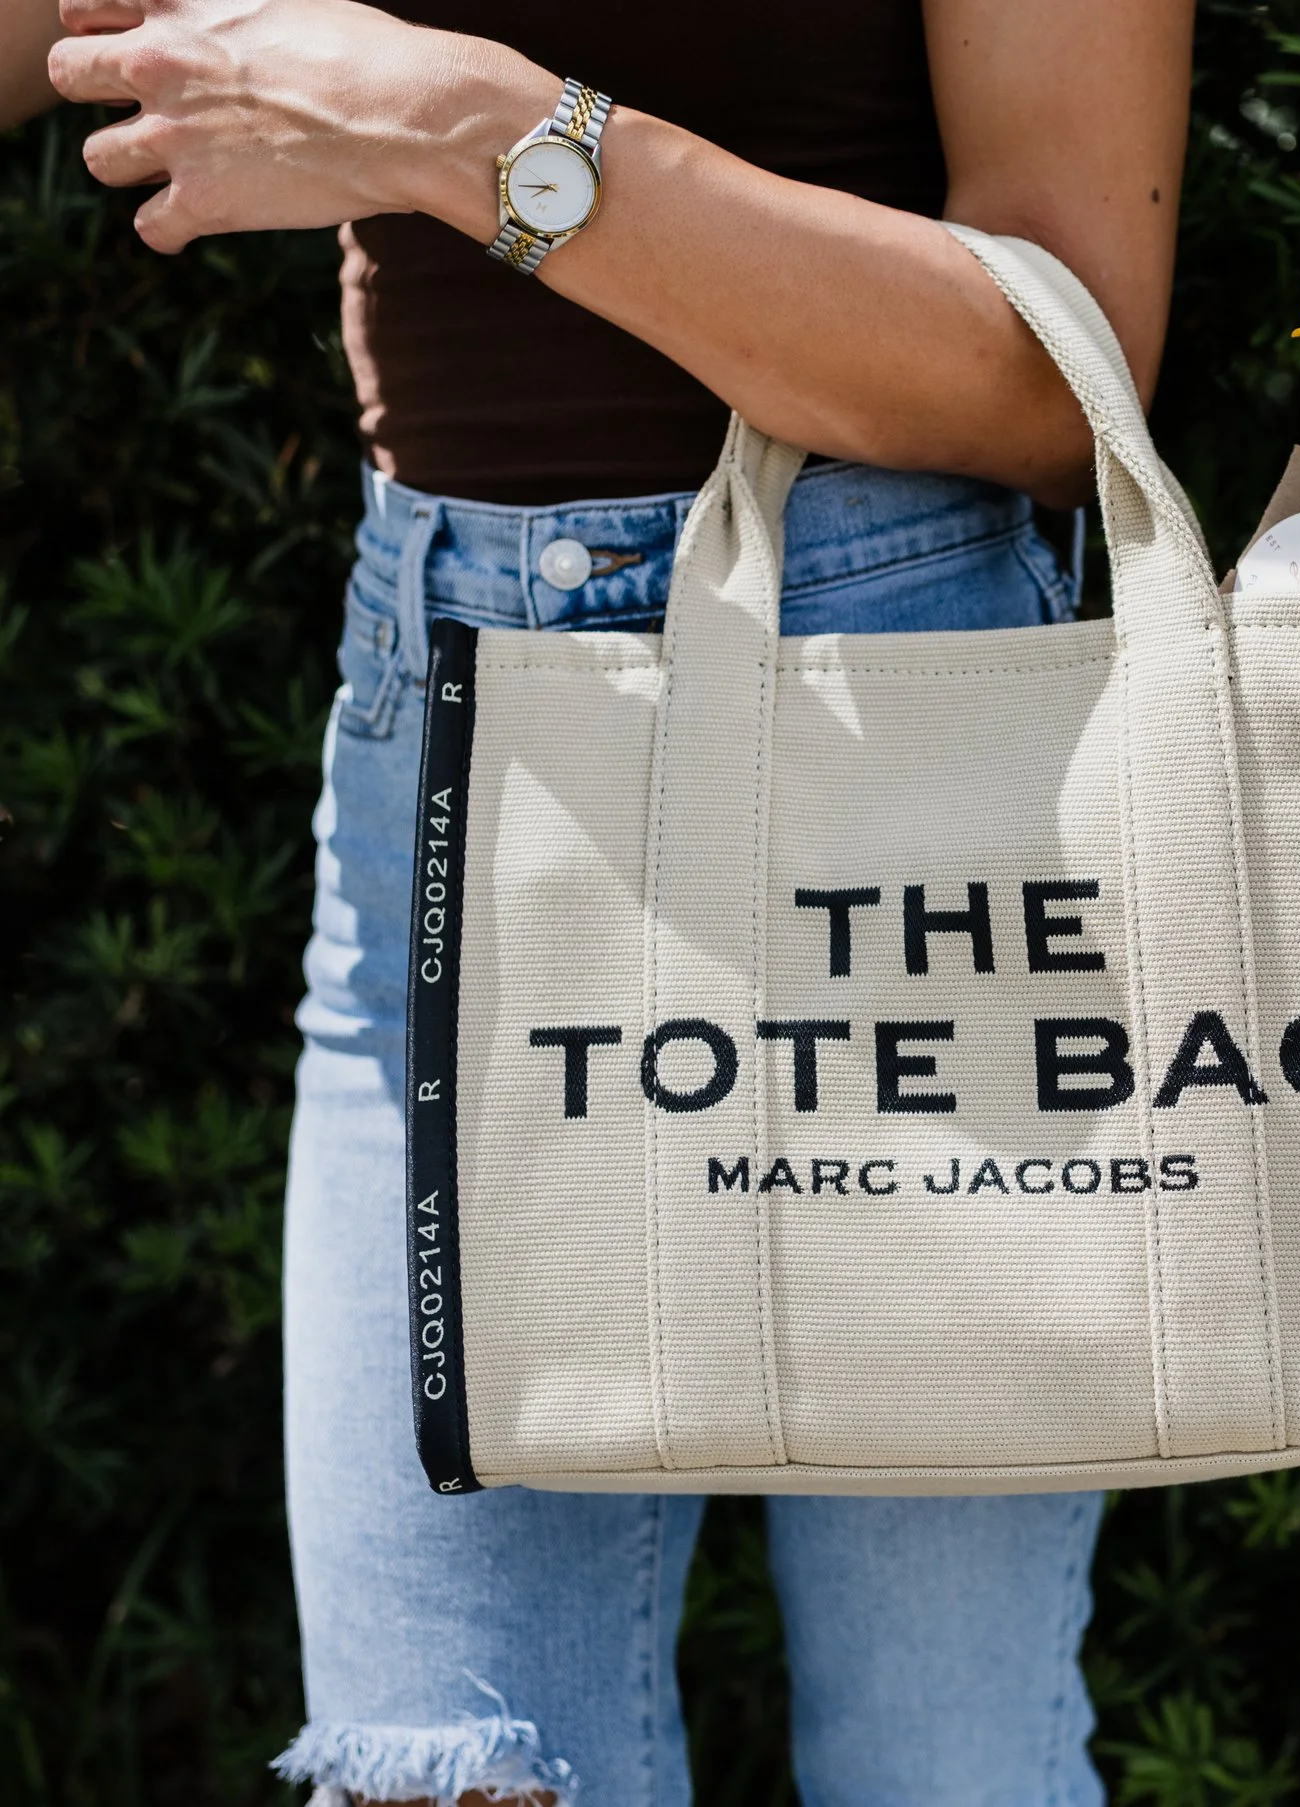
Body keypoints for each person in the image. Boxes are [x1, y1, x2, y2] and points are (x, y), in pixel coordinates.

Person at [0, 0, 1191, 1799]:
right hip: (458, 757)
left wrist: (470, 132)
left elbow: (1050, 365)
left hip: (917, 785)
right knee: (443, 1770)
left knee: (945, 1764)